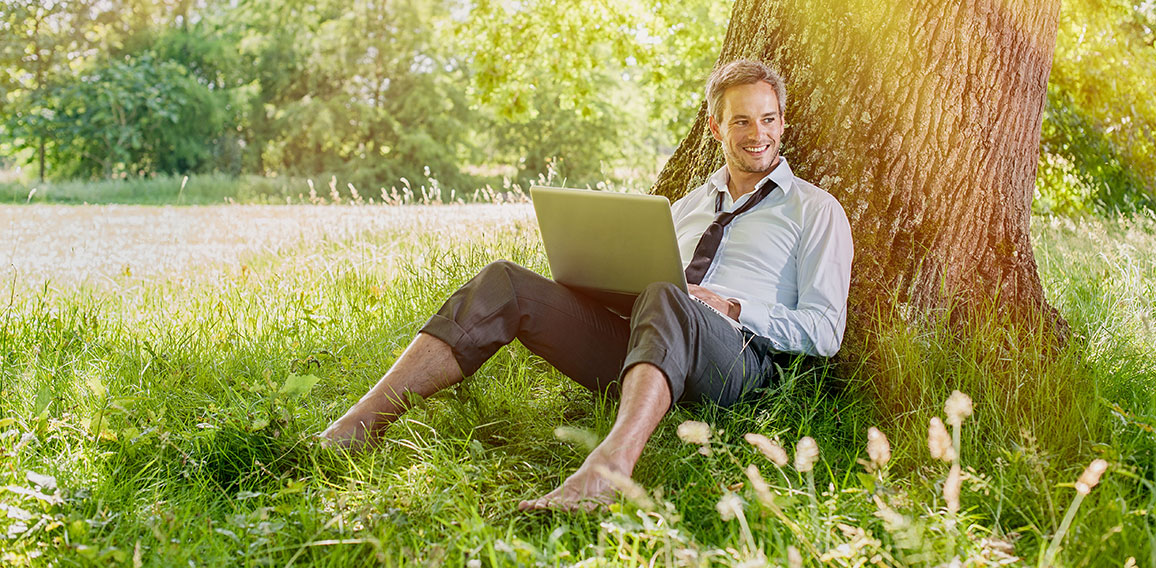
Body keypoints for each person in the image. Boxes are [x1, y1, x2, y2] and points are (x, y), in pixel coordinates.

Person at [318, 59, 853, 512]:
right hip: (647, 342)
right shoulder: (685, 207)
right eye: (741, 121)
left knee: (667, 294)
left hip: (737, 362)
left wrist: (733, 306)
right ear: (715, 128)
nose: (757, 134)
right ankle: (359, 426)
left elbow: (826, 330)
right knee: (506, 281)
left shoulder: (814, 210)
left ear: (782, 123)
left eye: (767, 119)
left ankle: (607, 471)